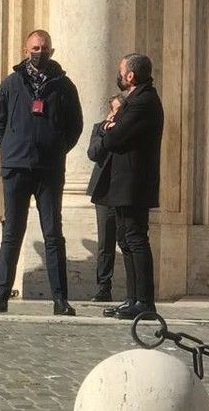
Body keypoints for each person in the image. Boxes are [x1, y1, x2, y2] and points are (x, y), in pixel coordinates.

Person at [0, 29, 83, 315]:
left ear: (51, 51)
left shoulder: (64, 86)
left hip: (49, 169)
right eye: (34, 48)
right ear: (25, 49)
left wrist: (55, 147)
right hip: (16, 167)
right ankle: (1, 295)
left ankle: (60, 300)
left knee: (53, 234)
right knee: (12, 233)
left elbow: (75, 126)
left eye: (43, 48)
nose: (38, 52)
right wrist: (11, 148)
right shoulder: (11, 83)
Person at [93, 54, 164, 320]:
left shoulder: (142, 102)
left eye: (121, 70)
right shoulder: (136, 101)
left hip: (134, 183)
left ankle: (145, 301)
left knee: (135, 238)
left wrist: (111, 128)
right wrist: (112, 128)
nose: (119, 74)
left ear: (130, 76)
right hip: (124, 183)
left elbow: (114, 138)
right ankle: (133, 298)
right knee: (125, 238)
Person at [86, 93, 126, 303]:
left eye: (121, 110)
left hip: (122, 189)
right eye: (114, 110)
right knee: (105, 242)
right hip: (103, 190)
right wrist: (105, 134)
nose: (116, 114)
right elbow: (92, 153)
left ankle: (133, 289)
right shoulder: (99, 128)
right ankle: (103, 287)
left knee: (126, 239)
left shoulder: (127, 129)